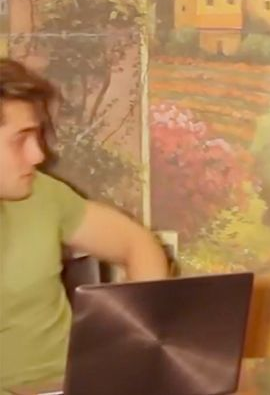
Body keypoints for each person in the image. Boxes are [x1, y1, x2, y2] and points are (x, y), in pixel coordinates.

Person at [0, 59, 169, 392]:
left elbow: (136, 244)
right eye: (20, 140)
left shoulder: (41, 194)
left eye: (37, 136)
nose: (37, 155)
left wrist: (143, 345)